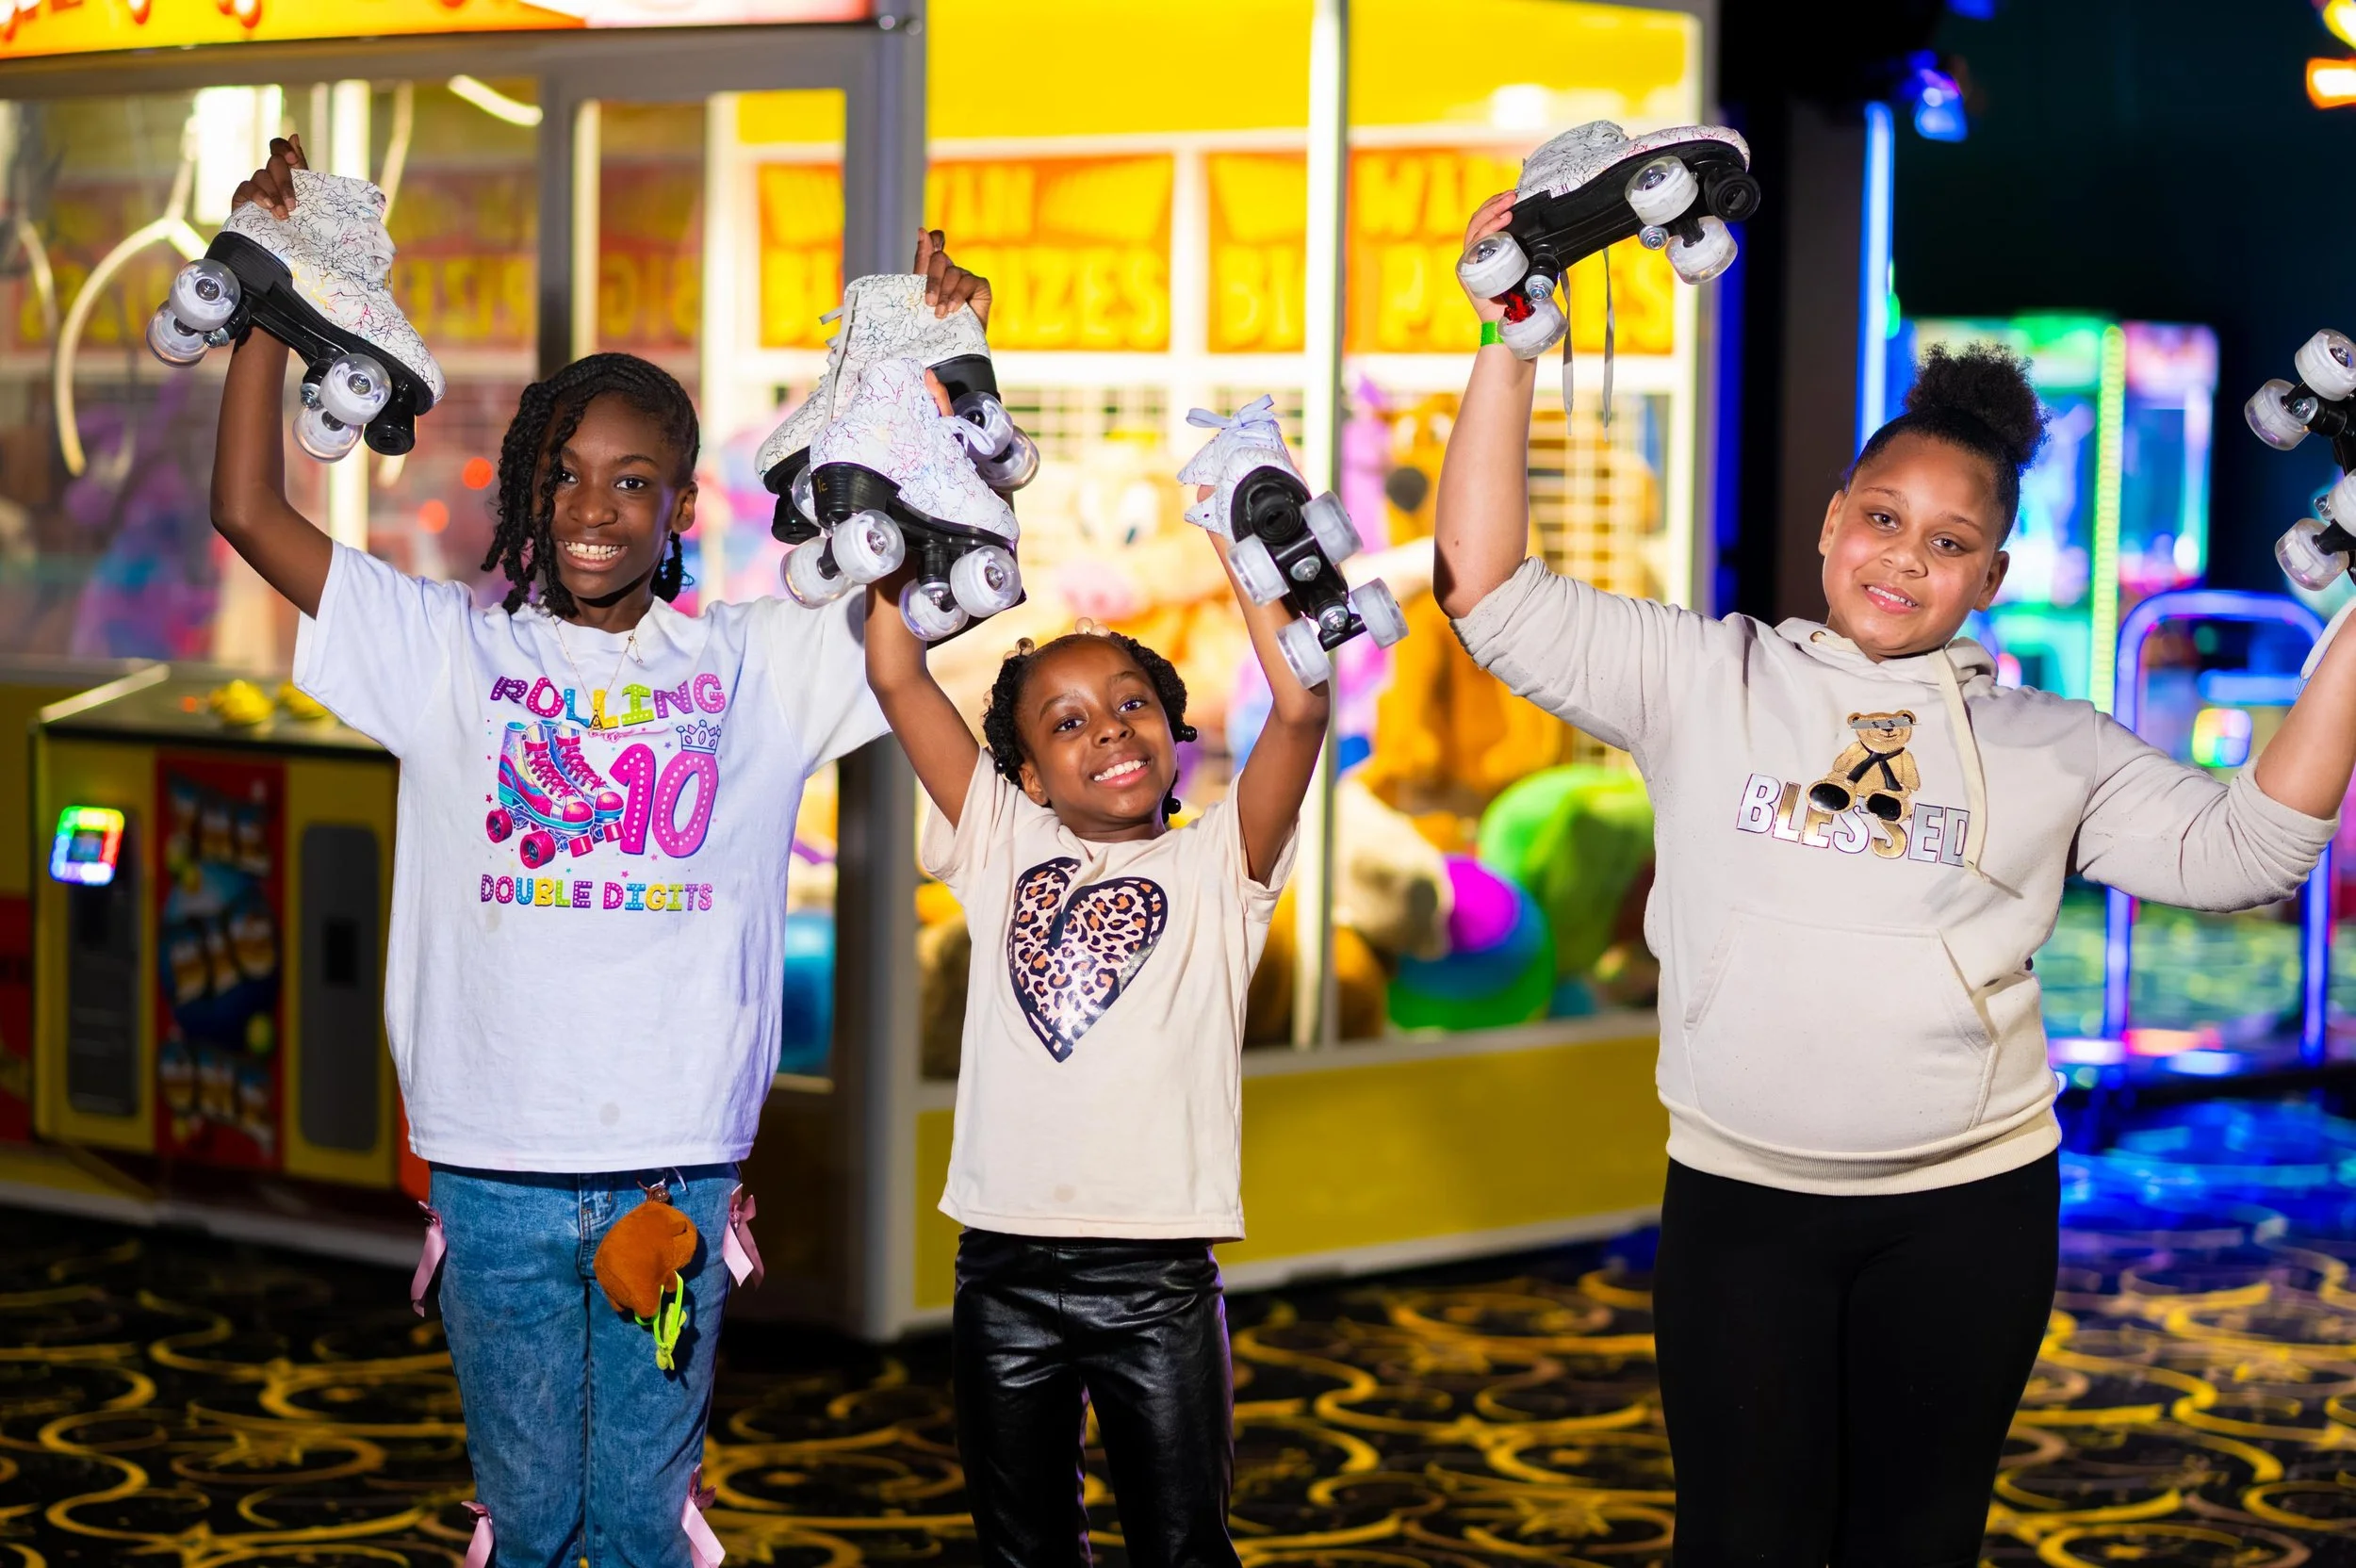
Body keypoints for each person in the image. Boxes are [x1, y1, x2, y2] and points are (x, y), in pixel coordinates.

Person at [1432, 188, 2356, 1564]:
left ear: (1987, 575)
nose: (1903, 557)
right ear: (1828, 524)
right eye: (1883, 517)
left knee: (1913, 1546)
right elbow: (1487, 585)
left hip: (1969, 1213)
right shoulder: (1706, 675)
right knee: (1745, 1541)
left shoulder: (2050, 743)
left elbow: (2252, 849)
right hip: (1742, 1200)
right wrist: (1510, 336)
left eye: (1946, 542)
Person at [206, 136, 990, 1567]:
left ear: (684, 508)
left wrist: (950, 376)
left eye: (633, 483)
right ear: (527, 483)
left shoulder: (759, 664)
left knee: (636, 1517)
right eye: (565, 475)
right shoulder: (446, 654)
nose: (591, 509)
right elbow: (251, 513)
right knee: (528, 1518)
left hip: (670, 1176)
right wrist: (267, 291)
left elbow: (942, 582)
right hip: (489, 1168)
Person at [861, 409, 1330, 1567]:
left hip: (1157, 1278)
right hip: (1001, 1270)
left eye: (1131, 703)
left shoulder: (1219, 866)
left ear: (1173, 727)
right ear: (1021, 772)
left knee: (1182, 1547)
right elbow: (891, 666)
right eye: (1063, 722)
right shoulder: (996, 842)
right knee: (1025, 1551)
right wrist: (911, 429)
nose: (1107, 731)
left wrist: (1235, 532)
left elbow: (1304, 705)